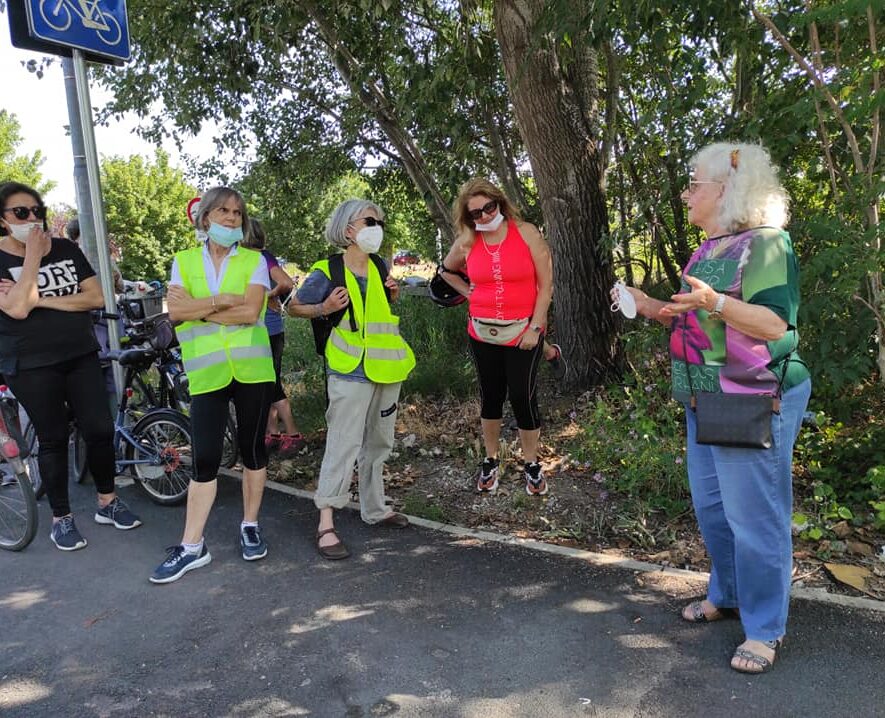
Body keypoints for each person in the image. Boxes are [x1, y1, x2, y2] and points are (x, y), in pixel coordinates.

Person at [617, 143, 811, 674]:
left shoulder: (767, 244)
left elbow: (774, 326)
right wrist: (650, 305)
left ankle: (765, 627)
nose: (686, 194)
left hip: (750, 400)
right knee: (714, 510)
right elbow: (693, 320)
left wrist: (715, 303)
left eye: (693, 185)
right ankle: (726, 595)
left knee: (756, 518)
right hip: (704, 398)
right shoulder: (707, 249)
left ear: (726, 191)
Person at [0, 181, 141, 550]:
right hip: (30, 365)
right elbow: (16, 309)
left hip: (79, 354)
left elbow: (94, 296)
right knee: (53, 438)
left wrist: (38, 300)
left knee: (99, 428)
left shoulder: (64, 248)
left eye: (37, 212)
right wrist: (32, 256)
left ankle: (107, 503)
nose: (32, 219)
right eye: (21, 213)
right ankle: (61, 518)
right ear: (2, 219)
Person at [150, 186, 276, 583]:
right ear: (205, 218)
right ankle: (192, 546)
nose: (230, 219)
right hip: (207, 373)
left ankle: (250, 525)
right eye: (223, 211)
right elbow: (176, 313)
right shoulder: (183, 261)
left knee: (253, 451)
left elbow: (252, 310)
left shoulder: (254, 260)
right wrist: (223, 301)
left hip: (253, 370)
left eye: (237, 213)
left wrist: (200, 309)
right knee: (204, 457)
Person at [287, 199, 415, 560]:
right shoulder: (327, 271)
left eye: (380, 220)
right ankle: (326, 521)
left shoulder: (378, 265)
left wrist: (392, 295)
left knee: (379, 442)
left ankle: (375, 509)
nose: (378, 226)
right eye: (370, 220)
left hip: (387, 367)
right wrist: (323, 308)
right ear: (348, 229)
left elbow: (381, 313)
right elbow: (294, 307)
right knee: (343, 443)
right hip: (349, 369)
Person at [440, 178, 553, 496]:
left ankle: (531, 462)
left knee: (522, 397)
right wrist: (467, 291)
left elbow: (546, 286)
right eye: (476, 213)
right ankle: (490, 459)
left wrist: (536, 327)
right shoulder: (467, 239)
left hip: (524, 331)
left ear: (499, 203)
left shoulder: (526, 232)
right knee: (491, 397)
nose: (485, 216)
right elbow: (444, 271)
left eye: (489, 207)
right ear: (469, 217)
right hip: (481, 330)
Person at [241, 218, 304, 457]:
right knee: (263, 384)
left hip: (269, 330)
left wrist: (267, 296)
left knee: (271, 385)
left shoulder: (262, 258)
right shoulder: (252, 259)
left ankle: (293, 434)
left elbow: (286, 282)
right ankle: (273, 434)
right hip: (258, 329)